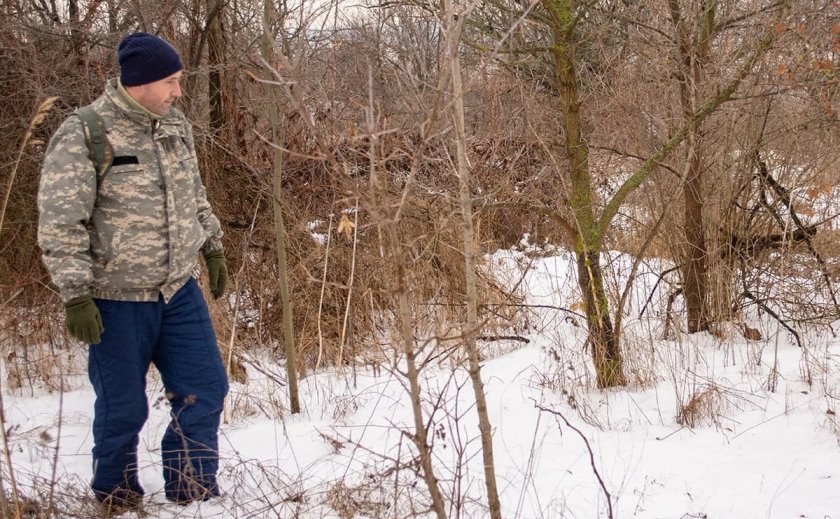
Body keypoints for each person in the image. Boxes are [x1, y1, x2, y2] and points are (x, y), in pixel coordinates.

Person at [37, 32, 229, 515]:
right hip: (115, 299)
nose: (178, 92)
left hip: (178, 291)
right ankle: (117, 497)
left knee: (205, 389)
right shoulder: (86, 131)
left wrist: (212, 246)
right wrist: (76, 294)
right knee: (123, 408)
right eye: (171, 81)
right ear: (138, 82)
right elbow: (61, 221)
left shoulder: (173, 124)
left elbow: (193, 192)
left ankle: (193, 493)